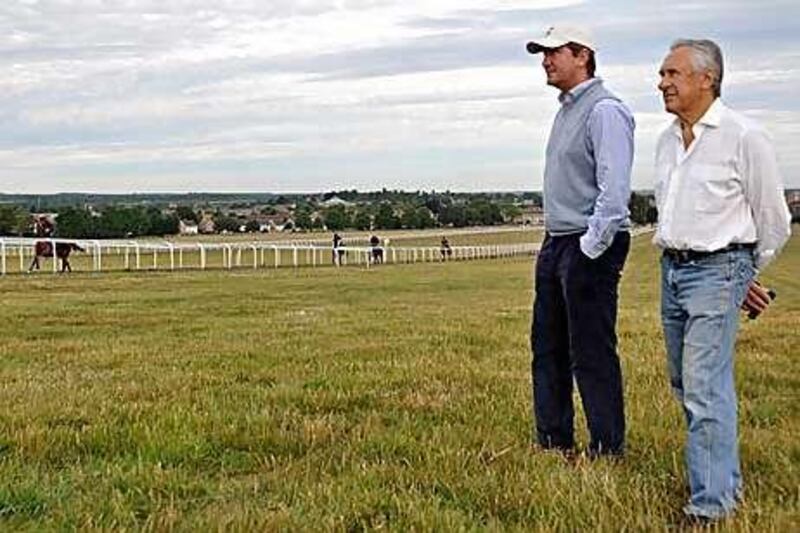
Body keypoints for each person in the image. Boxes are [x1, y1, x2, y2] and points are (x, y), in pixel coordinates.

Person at [654, 39, 791, 521]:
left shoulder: (743, 136)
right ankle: (722, 477)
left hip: (717, 270)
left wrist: (741, 275)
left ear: (706, 79)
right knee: (684, 381)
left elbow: (773, 219)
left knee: (704, 385)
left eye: (673, 73)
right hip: (671, 269)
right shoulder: (667, 140)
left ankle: (711, 506)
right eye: (662, 74)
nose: (662, 82)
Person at [526, 25, 634, 458]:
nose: (545, 60)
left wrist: (591, 247)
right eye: (543, 53)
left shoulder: (605, 110)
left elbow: (614, 192)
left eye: (553, 52)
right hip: (557, 241)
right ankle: (554, 442)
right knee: (547, 346)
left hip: (588, 244)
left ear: (583, 55)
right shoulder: (566, 110)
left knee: (590, 351)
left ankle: (607, 448)